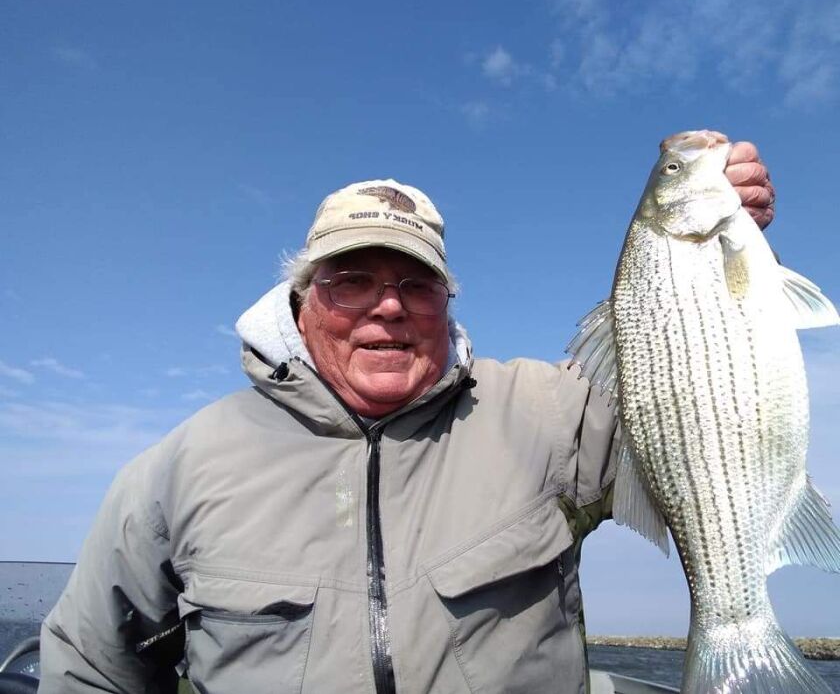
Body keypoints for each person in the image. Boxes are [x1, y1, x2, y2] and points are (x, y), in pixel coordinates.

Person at [39, 141, 775, 694]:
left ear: (447, 302)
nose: (387, 305)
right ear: (301, 301)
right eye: (350, 279)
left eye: (416, 284)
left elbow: (687, 404)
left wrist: (713, 264)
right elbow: (88, 662)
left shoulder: (546, 411)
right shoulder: (180, 467)